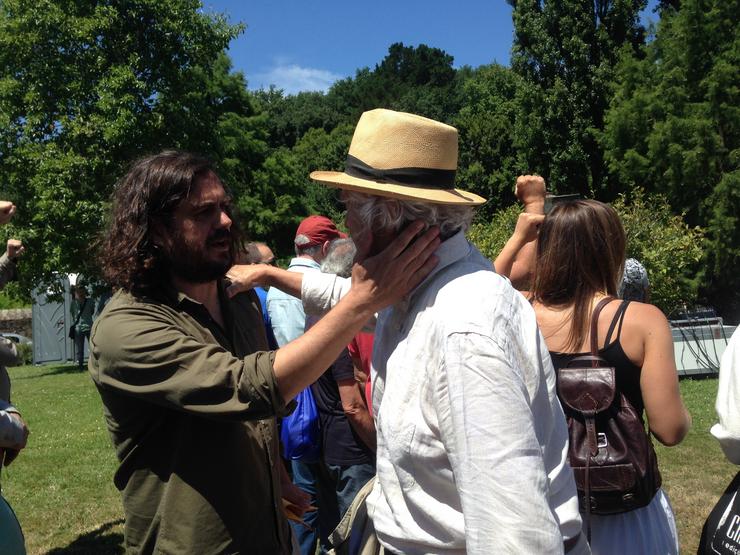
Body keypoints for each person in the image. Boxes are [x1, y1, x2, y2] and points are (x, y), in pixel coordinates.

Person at [228, 109, 588, 554]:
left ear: (390, 214)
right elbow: (344, 294)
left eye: (349, 206)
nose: (347, 227)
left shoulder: (463, 324)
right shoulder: (416, 290)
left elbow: (516, 535)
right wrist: (267, 275)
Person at [89, 150, 438, 554]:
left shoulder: (238, 299)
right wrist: (360, 301)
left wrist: (278, 478)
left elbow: (265, 414)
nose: (225, 221)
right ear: (158, 230)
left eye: (224, 206)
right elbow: (245, 388)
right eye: (203, 213)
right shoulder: (126, 327)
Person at [528, 199, 691, 554]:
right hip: (628, 515)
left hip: (549, 509)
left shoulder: (521, 315)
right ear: (611, 249)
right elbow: (670, 429)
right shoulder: (643, 320)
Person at [268, 215, 346, 555]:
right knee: (335, 498)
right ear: (326, 247)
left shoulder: (273, 288)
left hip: (290, 401)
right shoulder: (327, 286)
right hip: (330, 400)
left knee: (302, 494)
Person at [309, 238, 375, 550]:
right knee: (356, 537)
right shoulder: (339, 329)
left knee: (333, 531)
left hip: (328, 446)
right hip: (353, 452)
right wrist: (380, 448)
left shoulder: (315, 323)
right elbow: (352, 405)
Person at [70, 285, 94, 370]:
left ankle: (92, 365)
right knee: (80, 349)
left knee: (92, 347)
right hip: (79, 328)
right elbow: (91, 312)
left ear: (84, 292)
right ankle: (81, 365)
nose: (81, 293)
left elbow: (73, 314)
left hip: (87, 327)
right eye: (79, 291)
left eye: (82, 291)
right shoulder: (74, 303)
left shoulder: (90, 301)